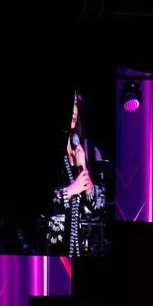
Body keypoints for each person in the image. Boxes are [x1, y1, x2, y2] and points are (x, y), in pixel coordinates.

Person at [47, 91, 109, 257]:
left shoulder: (90, 151)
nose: (73, 110)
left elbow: (103, 208)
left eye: (75, 104)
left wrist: (89, 188)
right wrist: (69, 191)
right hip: (54, 247)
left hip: (86, 248)